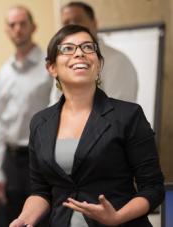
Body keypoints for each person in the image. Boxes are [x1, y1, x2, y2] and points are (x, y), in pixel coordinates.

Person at [9, 24, 164, 227]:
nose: (79, 53)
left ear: (99, 63)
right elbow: (41, 192)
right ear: (51, 67)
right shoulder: (40, 122)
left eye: (88, 47)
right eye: (68, 48)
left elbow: (153, 187)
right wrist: (23, 220)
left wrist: (116, 217)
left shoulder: (128, 115)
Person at [0, 5, 53, 226]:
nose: (17, 29)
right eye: (12, 25)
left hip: (40, 158)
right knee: (13, 220)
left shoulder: (50, 66)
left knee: (43, 219)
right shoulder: (4, 72)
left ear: (33, 27)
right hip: (11, 160)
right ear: (7, 31)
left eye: (22, 24)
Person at [50, 1, 138, 105]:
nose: (72, 27)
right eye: (66, 23)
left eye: (77, 20)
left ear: (94, 24)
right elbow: (55, 104)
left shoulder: (117, 61)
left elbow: (118, 114)